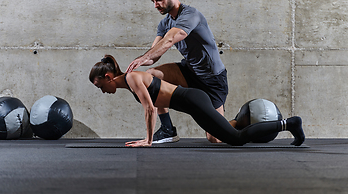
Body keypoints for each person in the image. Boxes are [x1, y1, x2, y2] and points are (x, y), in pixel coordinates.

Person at [89, 55, 305, 147]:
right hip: (193, 104)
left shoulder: (132, 77)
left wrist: (147, 140)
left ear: (108, 78)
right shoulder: (130, 81)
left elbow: (149, 109)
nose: (102, 91)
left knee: (236, 139)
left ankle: (290, 123)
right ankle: (289, 124)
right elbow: (157, 102)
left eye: (100, 86)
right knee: (230, 137)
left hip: (194, 100)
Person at [126, 0, 228, 144]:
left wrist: (144, 57)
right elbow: (154, 55)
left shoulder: (190, 15)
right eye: (153, 1)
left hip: (212, 79)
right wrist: (132, 70)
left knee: (215, 137)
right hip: (189, 72)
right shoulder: (165, 23)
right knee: (151, 76)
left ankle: (243, 123)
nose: (156, 5)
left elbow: (169, 40)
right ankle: (167, 129)